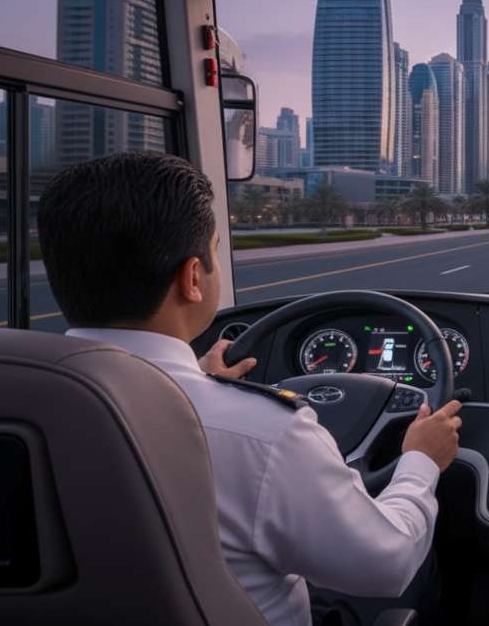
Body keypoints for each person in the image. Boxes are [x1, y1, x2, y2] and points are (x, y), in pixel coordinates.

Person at [37, 151, 461, 626]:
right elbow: (388, 563)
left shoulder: (6, 402)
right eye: (216, 251)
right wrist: (421, 461)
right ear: (192, 277)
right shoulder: (266, 434)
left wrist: (200, 382)